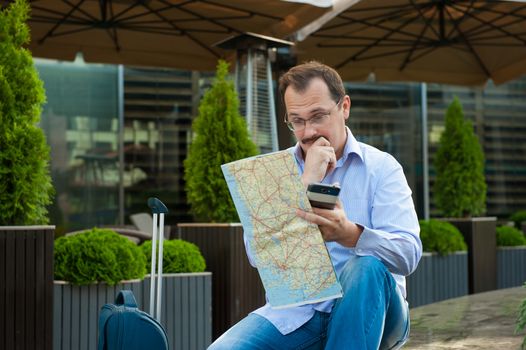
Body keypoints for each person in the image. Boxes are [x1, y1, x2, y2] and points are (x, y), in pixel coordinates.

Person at [209, 61, 422, 349]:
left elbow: (408, 254)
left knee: (366, 266)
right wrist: (305, 182)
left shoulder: (382, 168)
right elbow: (257, 255)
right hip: (298, 313)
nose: (308, 131)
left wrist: (351, 234)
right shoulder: (276, 171)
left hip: (377, 311)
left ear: (344, 107)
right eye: (297, 120)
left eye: (318, 116)